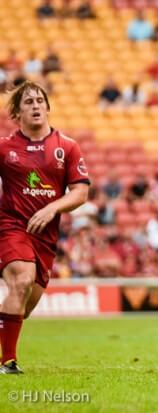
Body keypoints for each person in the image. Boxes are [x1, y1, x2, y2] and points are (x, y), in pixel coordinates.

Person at [0, 81, 90, 374]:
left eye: (40, 100)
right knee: (21, 281)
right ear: (17, 112)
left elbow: (80, 192)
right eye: (28, 102)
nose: (36, 105)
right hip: (11, 226)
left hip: (45, 237)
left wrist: (52, 208)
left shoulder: (67, 146)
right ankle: (8, 363)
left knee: (24, 305)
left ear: (48, 107)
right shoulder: (5, 148)